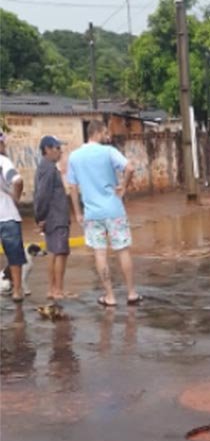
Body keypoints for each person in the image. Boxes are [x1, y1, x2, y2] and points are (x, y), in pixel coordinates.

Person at [66, 120, 141, 307]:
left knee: (100, 254)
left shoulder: (74, 157)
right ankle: (131, 293)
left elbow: (72, 187)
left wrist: (77, 213)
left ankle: (110, 296)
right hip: (114, 210)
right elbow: (129, 168)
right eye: (105, 133)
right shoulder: (108, 151)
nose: (107, 136)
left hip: (92, 213)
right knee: (122, 251)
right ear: (97, 132)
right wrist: (123, 186)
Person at [34, 135, 71, 299]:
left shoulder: (46, 167)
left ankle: (53, 289)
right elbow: (42, 195)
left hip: (52, 217)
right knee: (60, 253)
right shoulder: (48, 168)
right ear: (47, 149)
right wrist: (40, 217)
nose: (60, 151)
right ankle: (57, 290)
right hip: (56, 217)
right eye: (57, 148)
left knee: (53, 252)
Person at [0, 130, 27, 303]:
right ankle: (17, 291)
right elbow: (17, 180)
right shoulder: (3, 161)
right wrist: (16, 197)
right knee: (14, 257)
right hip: (7, 215)